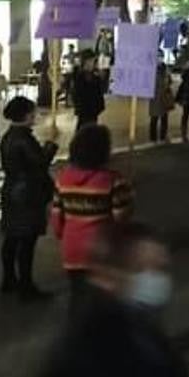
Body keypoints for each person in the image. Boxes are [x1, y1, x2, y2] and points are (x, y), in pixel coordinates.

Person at [36, 222, 189, 377]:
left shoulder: (153, 340)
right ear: (107, 277)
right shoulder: (77, 363)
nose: (154, 279)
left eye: (161, 269)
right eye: (139, 269)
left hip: (75, 247)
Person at [53, 124, 134, 300]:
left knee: (78, 298)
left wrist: (64, 234)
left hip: (72, 249)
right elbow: (121, 217)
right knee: (103, 302)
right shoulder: (113, 180)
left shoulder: (63, 178)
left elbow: (57, 217)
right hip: (101, 250)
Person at [0, 96, 59, 299]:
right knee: (26, 241)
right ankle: (26, 287)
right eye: (32, 113)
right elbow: (40, 163)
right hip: (27, 194)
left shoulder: (9, 137)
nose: (35, 116)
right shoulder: (23, 139)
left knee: (11, 238)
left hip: (11, 190)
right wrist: (51, 144)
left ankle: (9, 280)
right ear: (25, 115)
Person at [71, 52, 106, 127]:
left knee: (90, 125)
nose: (93, 63)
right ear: (86, 62)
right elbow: (79, 93)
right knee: (84, 126)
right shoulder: (81, 76)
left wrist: (99, 78)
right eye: (92, 61)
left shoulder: (92, 74)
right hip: (85, 108)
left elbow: (98, 89)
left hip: (92, 109)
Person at [149, 62, 174, 143]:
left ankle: (160, 137)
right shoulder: (153, 71)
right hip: (157, 98)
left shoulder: (165, 72)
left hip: (161, 98)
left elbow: (170, 81)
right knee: (156, 118)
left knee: (162, 118)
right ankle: (155, 137)